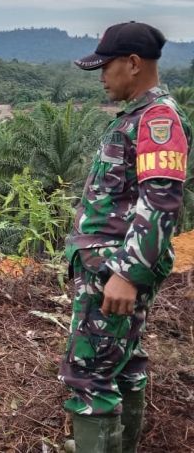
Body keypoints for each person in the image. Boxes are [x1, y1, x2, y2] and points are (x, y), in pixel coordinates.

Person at [59, 22, 191, 452]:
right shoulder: (138, 116)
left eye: (106, 66)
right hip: (109, 264)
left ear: (133, 64)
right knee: (123, 362)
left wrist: (128, 274)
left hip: (114, 268)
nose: (101, 76)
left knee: (89, 375)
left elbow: (161, 203)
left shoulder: (157, 119)